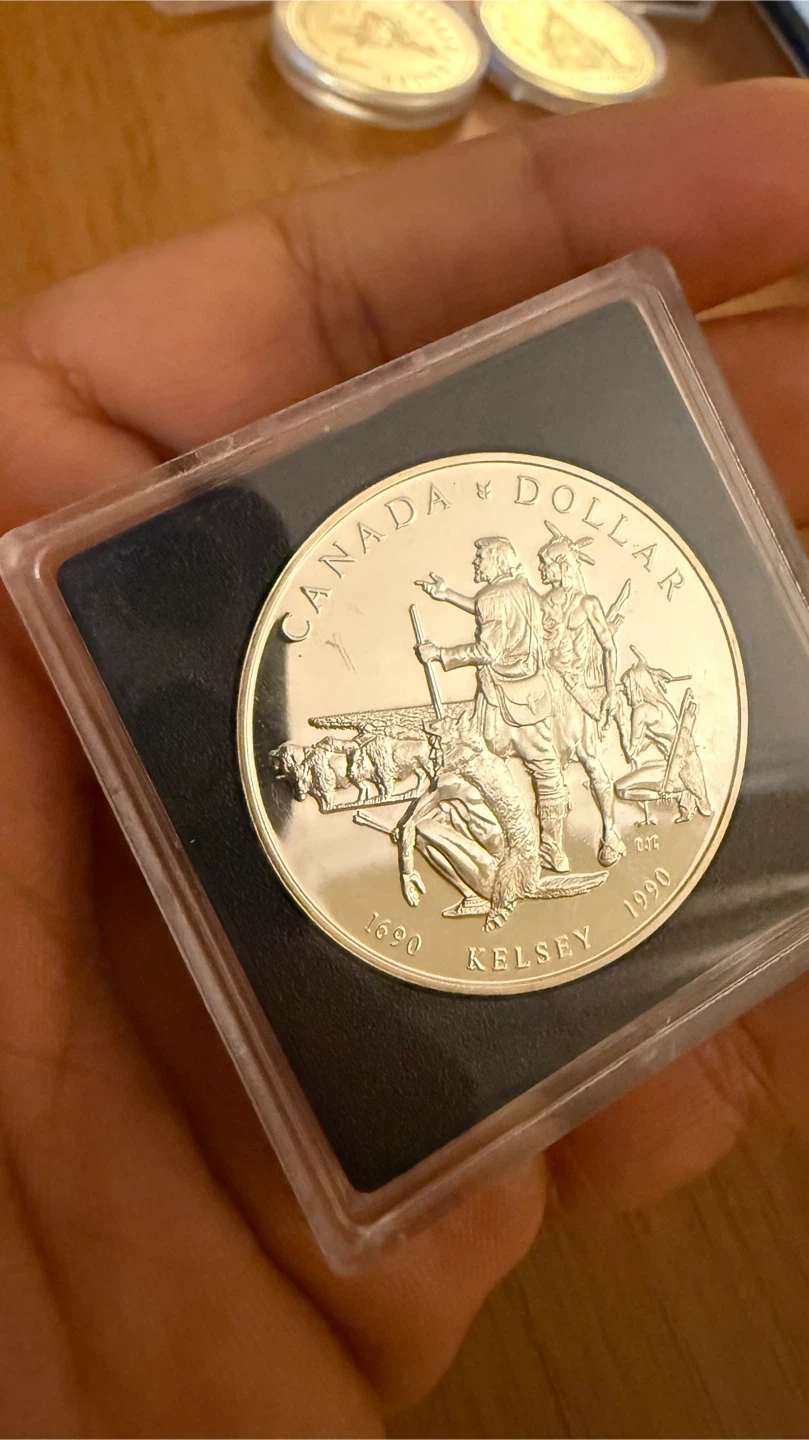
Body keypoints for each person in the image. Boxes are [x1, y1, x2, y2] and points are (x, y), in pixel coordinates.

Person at [1, 79, 808, 1439]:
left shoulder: (534, 607)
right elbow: (482, 660)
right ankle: (543, 852)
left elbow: (529, 660)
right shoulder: (509, 606)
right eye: (495, 566)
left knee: (553, 796)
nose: (498, 572)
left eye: (499, 564)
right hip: (509, 737)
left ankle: (556, 852)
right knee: (533, 795)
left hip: (546, 730)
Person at [417, 535, 571, 871]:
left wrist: (440, 654)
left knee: (480, 770)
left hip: (498, 704)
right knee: (547, 772)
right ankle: (553, 850)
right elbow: (546, 622)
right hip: (533, 697)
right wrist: (447, 595)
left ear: (498, 560)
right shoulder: (524, 589)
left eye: (481, 557)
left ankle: (498, 849)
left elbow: (487, 650)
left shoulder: (493, 597)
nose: (476, 562)